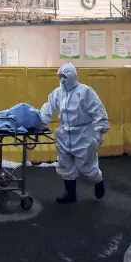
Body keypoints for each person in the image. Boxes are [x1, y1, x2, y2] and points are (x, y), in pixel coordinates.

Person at [39, 62, 109, 204]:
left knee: (87, 166)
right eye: (60, 76)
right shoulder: (58, 93)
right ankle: (70, 194)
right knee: (65, 165)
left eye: (64, 76)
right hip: (64, 134)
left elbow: (98, 111)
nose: (62, 79)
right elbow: (48, 106)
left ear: (72, 76)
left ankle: (98, 181)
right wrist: (41, 120)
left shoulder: (85, 92)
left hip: (83, 134)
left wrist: (99, 133)